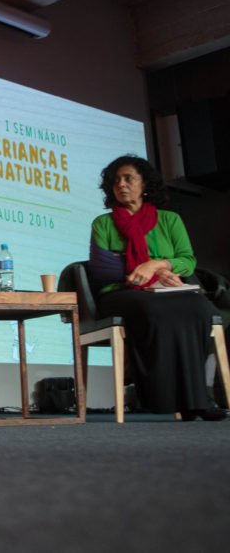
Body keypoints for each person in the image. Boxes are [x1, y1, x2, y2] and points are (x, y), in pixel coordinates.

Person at [88, 155, 225, 421]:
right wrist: (149, 272)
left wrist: (158, 265)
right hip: (119, 294)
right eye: (116, 180)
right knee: (154, 308)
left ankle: (197, 399)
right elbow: (102, 271)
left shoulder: (170, 220)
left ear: (145, 184)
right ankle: (162, 398)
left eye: (129, 178)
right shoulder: (103, 223)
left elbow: (187, 261)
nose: (121, 184)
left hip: (167, 291)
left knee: (198, 306)